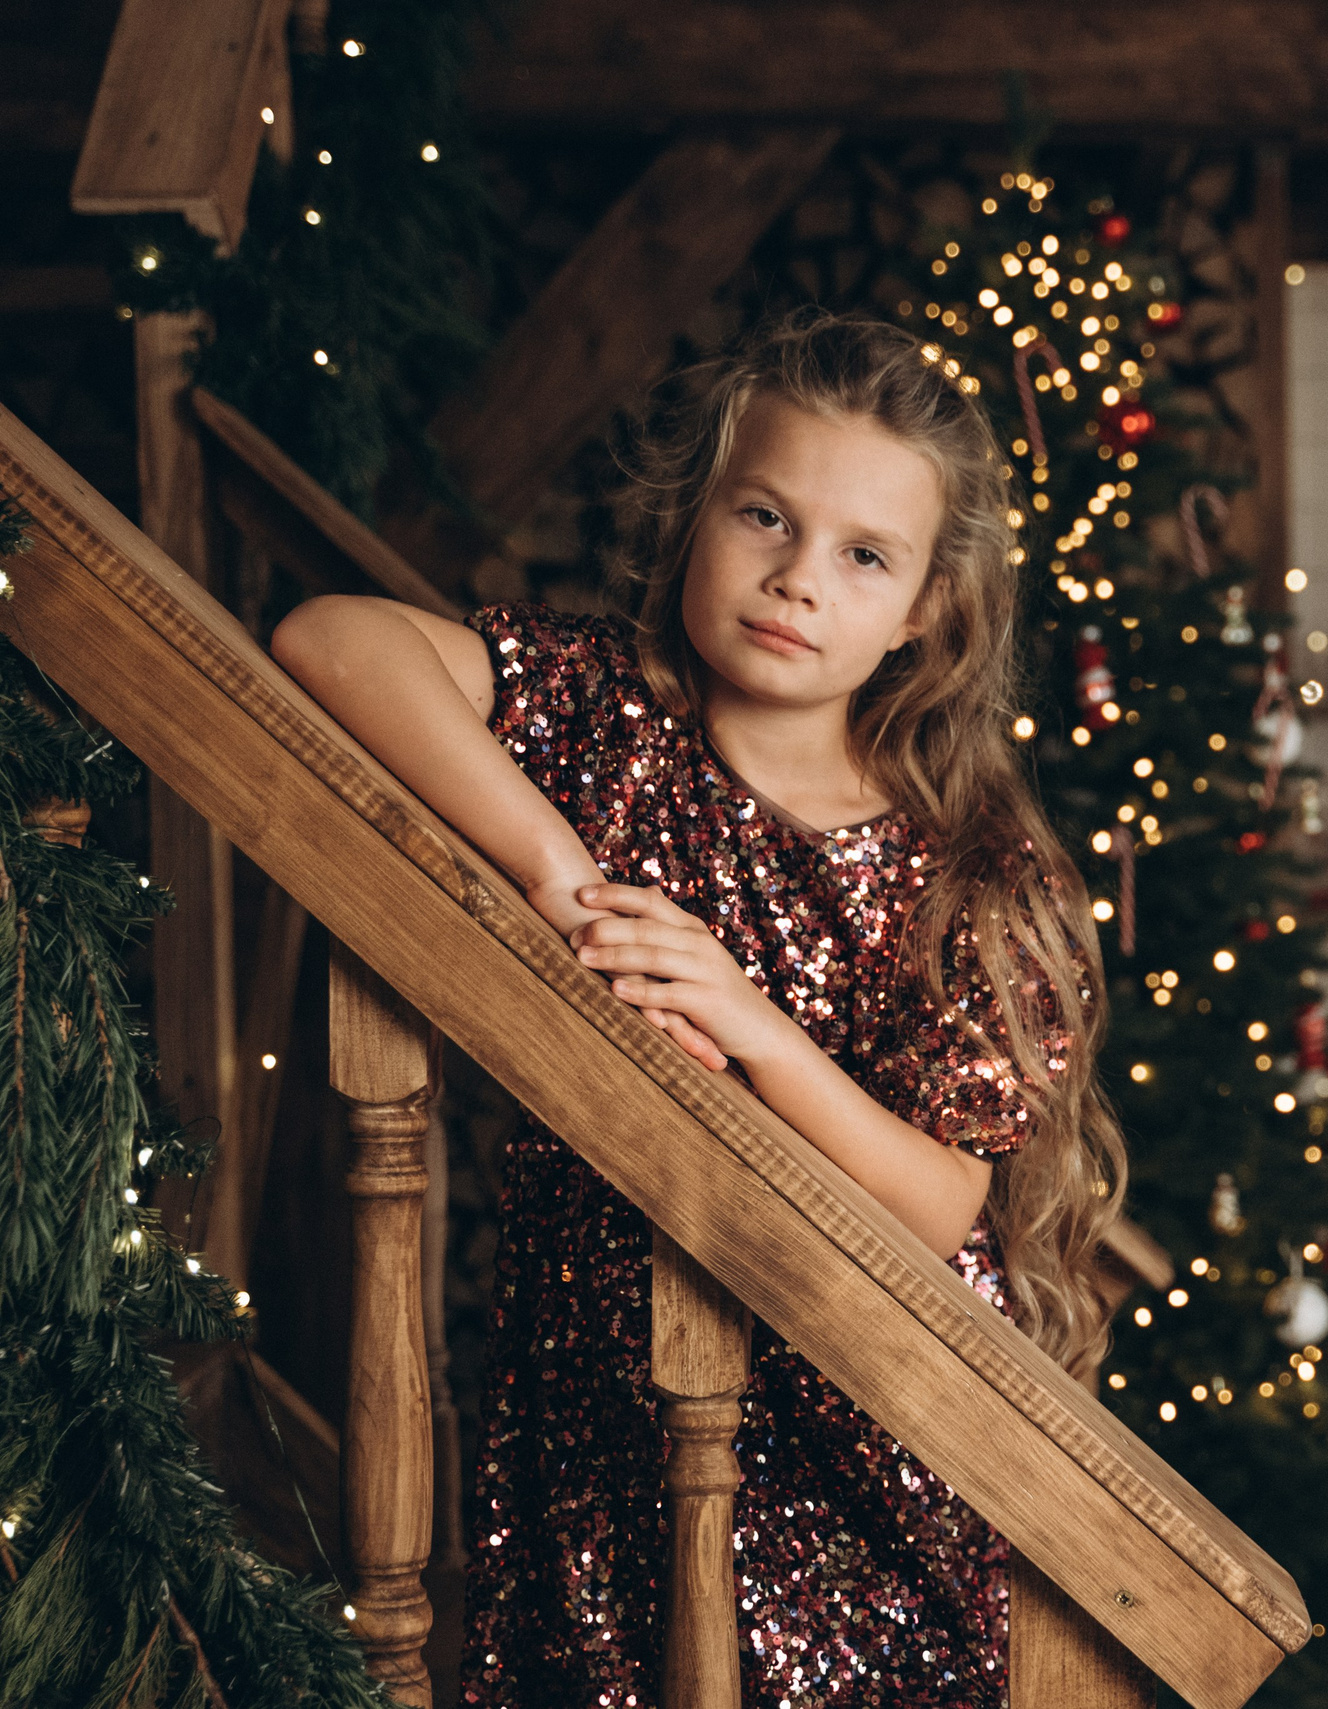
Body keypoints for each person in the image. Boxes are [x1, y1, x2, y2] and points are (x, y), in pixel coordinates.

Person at [272, 308, 1125, 1708]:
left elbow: (937, 1208)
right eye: (765, 517)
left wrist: (748, 1020)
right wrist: (566, 879)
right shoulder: (605, 717)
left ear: (925, 610)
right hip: (595, 1419)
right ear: (695, 514)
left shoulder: (963, 863)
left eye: (864, 556)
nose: (798, 580)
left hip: (857, 1446)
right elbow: (330, 638)